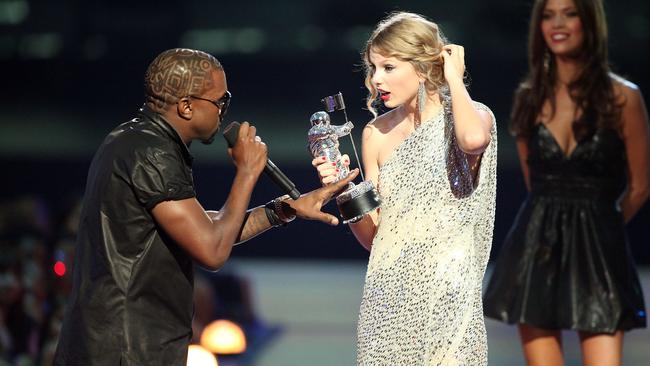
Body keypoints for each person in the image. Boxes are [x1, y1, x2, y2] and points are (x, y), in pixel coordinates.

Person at [52, 48, 359, 366]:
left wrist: (283, 209)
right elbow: (212, 250)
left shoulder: (133, 140)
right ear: (186, 106)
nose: (225, 111)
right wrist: (247, 172)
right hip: (127, 348)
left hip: (120, 343)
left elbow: (204, 228)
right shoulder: (152, 153)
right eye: (220, 101)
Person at [313, 12, 497, 365]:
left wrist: (453, 79)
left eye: (389, 67)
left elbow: (473, 140)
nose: (376, 79)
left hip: (449, 296)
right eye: (373, 68)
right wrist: (342, 192)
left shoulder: (472, 117)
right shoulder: (374, 134)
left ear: (424, 66)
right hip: (389, 297)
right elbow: (374, 238)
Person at [483, 0, 650, 364]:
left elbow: (640, 187)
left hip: (599, 254)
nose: (557, 23)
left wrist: (601, 229)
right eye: (547, 14)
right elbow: (534, 184)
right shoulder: (529, 98)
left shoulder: (624, 97)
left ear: (589, 22)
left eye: (570, 13)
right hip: (537, 250)